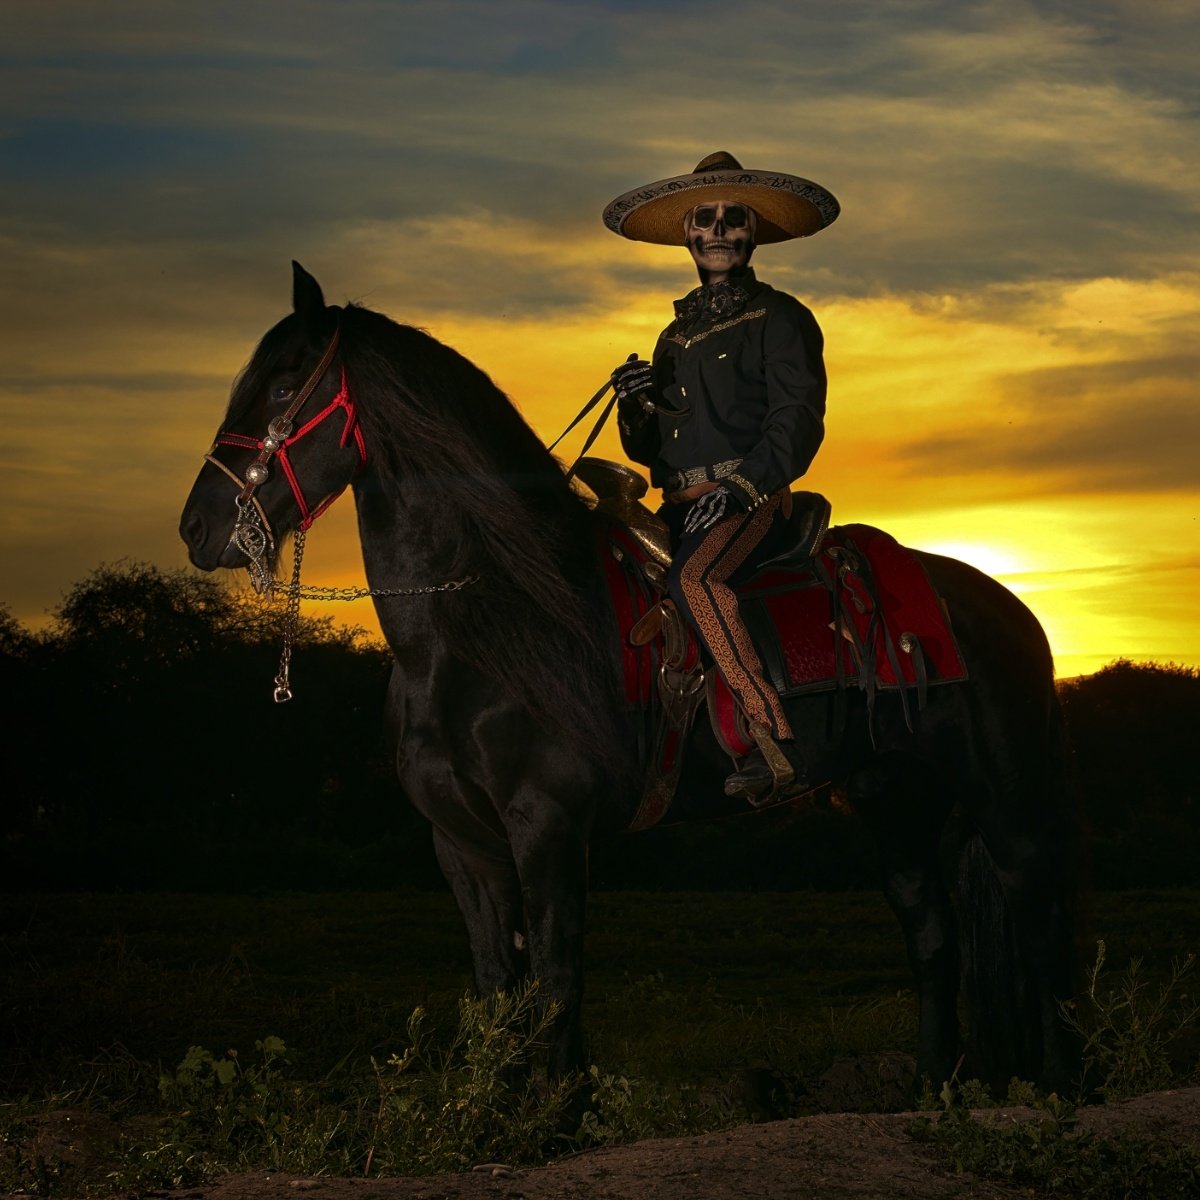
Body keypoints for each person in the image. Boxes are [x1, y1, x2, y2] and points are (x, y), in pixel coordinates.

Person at [601, 150, 839, 804]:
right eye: (705, 219)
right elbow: (654, 452)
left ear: (752, 233)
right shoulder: (672, 338)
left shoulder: (781, 316)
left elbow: (797, 419)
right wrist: (635, 402)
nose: (719, 230)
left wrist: (741, 488)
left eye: (735, 219)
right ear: (687, 234)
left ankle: (776, 742)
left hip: (751, 498)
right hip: (676, 502)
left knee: (695, 578)